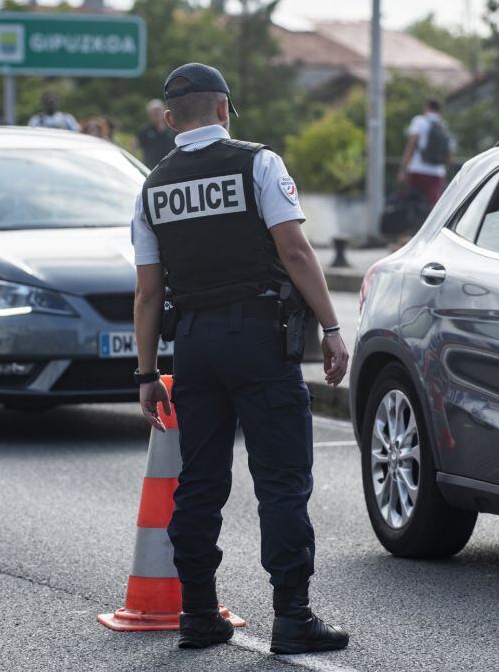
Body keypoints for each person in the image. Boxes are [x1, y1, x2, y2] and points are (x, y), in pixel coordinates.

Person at [131, 63, 350, 655]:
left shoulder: (152, 188)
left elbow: (149, 292)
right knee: (281, 481)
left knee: (198, 485)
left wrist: (148, 374)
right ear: (225, 109)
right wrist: (331, 327)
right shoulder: (259, 163)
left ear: (171, 120)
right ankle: (292, 617)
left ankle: (198, 615)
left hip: (194, 347)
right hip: (259, 339)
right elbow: (296, 252)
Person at [397, 99, 453, 212]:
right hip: (437, 173)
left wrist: (403, 170)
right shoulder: (444, 125)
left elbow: (411, 146)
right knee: (433, 209)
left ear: (426, 108)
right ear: (439, 111)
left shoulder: (419, 121)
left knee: (412, 206)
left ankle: (414, 229)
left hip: (417, 170)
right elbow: (449, 155)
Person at [136, 99, 176, 167]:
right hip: (151, 170)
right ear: (150, 114)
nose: (156, 114)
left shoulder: (172, 128)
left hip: (171, 168)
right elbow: (134, 147)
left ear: (164, 112)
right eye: (154, 112)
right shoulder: (145, 130)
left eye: (158, 111)